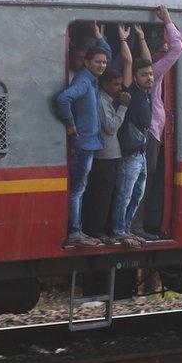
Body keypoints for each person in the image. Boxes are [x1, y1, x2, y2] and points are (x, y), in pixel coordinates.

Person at [82, 26, 140, 248]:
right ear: (105, 84)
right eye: (114, 85)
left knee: (109, 194)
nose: (118, 88)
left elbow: (127, 63)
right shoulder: (101, 101)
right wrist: (123, 108)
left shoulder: (108, 97)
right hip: (104, 154)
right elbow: (110, 128)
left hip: (111, 154)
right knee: (101, 195)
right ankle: (95, 230)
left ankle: (103, 229)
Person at [130, 5, 182, 241]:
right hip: (151, 132)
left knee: (141, 179)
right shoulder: (154, 72)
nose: (163, 51)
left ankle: (135, 224)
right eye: (158, 49)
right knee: (144, 180)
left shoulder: (142, 74)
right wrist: (168, 21)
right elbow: (177, 48)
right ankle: (136, 226)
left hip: (152, 131)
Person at [56, 45, 109, 248]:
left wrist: (98, 35)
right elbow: (63, 99)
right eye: (97, 61)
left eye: (104, 62)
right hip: (83, 145)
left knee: (80, 188)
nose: (102, 65)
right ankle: (74, 232)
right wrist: (70, 124)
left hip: (89, 143)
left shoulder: (90, 80)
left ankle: (77, 230)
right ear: (87, 62)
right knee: (78, 190)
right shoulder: (85, 81)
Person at [111, 58, 154, 240]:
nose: (149, 78)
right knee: (125, 194)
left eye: (150, 74)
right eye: (144, 75)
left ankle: (126, 228)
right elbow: (127, 61)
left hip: (141, 153)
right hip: (130, 154)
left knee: (137, 195)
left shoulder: (147, 94)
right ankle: (118, 230)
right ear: (134, 77)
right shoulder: (131, 93)